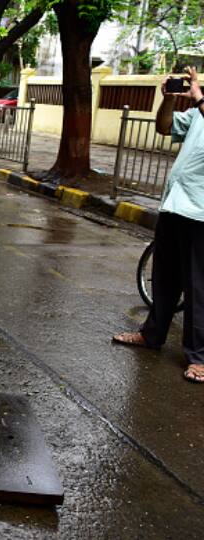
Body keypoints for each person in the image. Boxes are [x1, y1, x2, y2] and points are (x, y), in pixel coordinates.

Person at [113, 66, 204, 384]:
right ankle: (152, 335)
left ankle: (200, 357)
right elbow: (164, 127)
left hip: (201, 215)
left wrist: (197, 96)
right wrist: (168, 100)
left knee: (198, 288)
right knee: (165, 280)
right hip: (175, 206)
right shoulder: (197, 115)